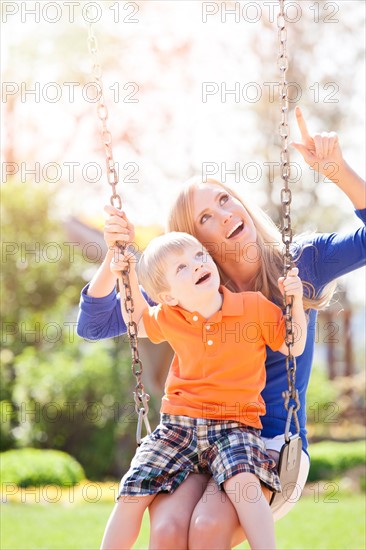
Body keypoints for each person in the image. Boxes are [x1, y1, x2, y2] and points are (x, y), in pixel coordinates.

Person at [77, 107, 366, 548]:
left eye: (224, 200)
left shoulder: (301, 261)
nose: (224, 215)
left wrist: (338, 171)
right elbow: (94, 323)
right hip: (195, 439)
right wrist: (112, 255)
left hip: (270, 442)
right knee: (171, 529)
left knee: (207, 527)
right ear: (195, 242)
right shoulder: (192, 288)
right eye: (205, 219)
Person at [99, 230, 307, 550]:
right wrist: (125, 276)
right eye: (181, 268)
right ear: (169, 296)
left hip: (235, 424)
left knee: (244, 484)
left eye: (198, 255)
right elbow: (137, 319)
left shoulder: (252, 307)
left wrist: (294, 303)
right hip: (177, 426)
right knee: (131, 493)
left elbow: (293, 345)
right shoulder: (171, 316)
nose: (196, 265)